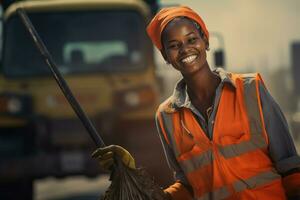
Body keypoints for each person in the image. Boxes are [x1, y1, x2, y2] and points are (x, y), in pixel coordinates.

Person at [92, 6, 300, 200]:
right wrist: (131, 174)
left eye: (192, 40)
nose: (185, 49)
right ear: (166, 56)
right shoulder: (166, 116)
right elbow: (188, 186)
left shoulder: (250, 89)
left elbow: (290, 168)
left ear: (206, 41)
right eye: (174, 46)